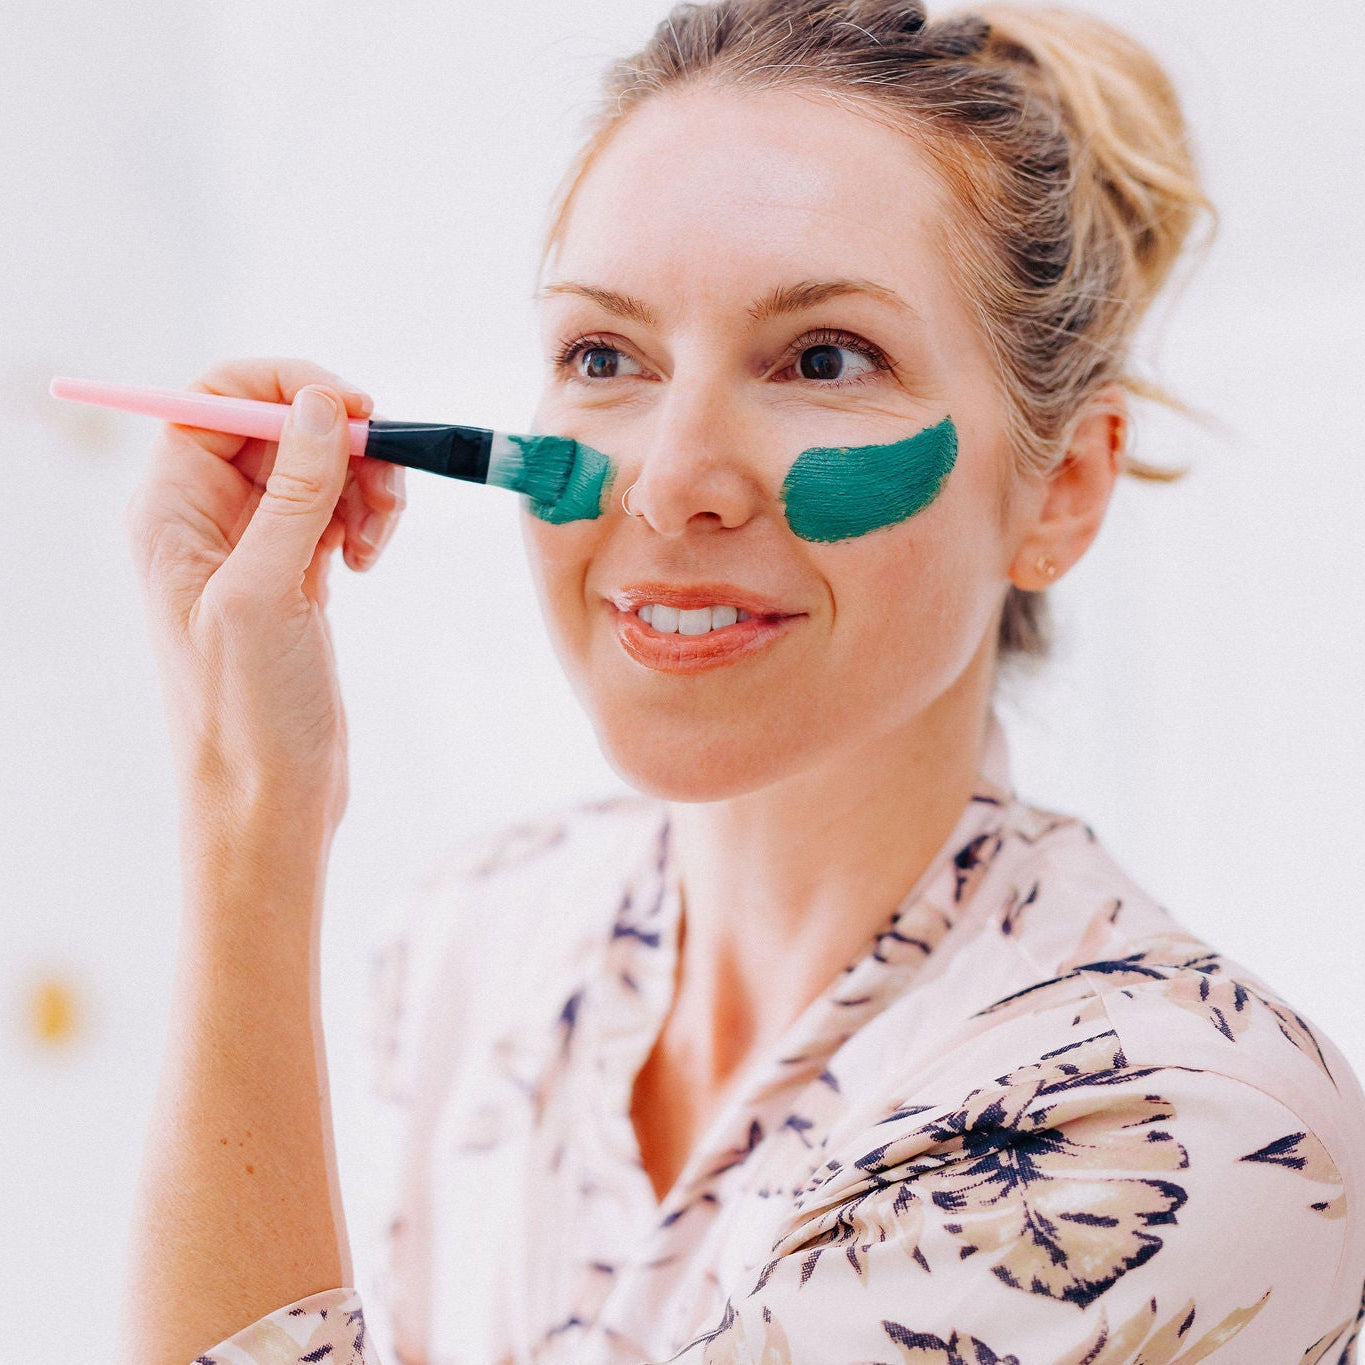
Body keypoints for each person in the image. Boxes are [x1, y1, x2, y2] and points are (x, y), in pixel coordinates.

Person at [116, 2, 1365, 1362]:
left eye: (823, 357)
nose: (665, 484)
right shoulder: (471, 947)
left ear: (1058, 492)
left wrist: (250, 831)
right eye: (605, 355)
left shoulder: (1175, 1125)